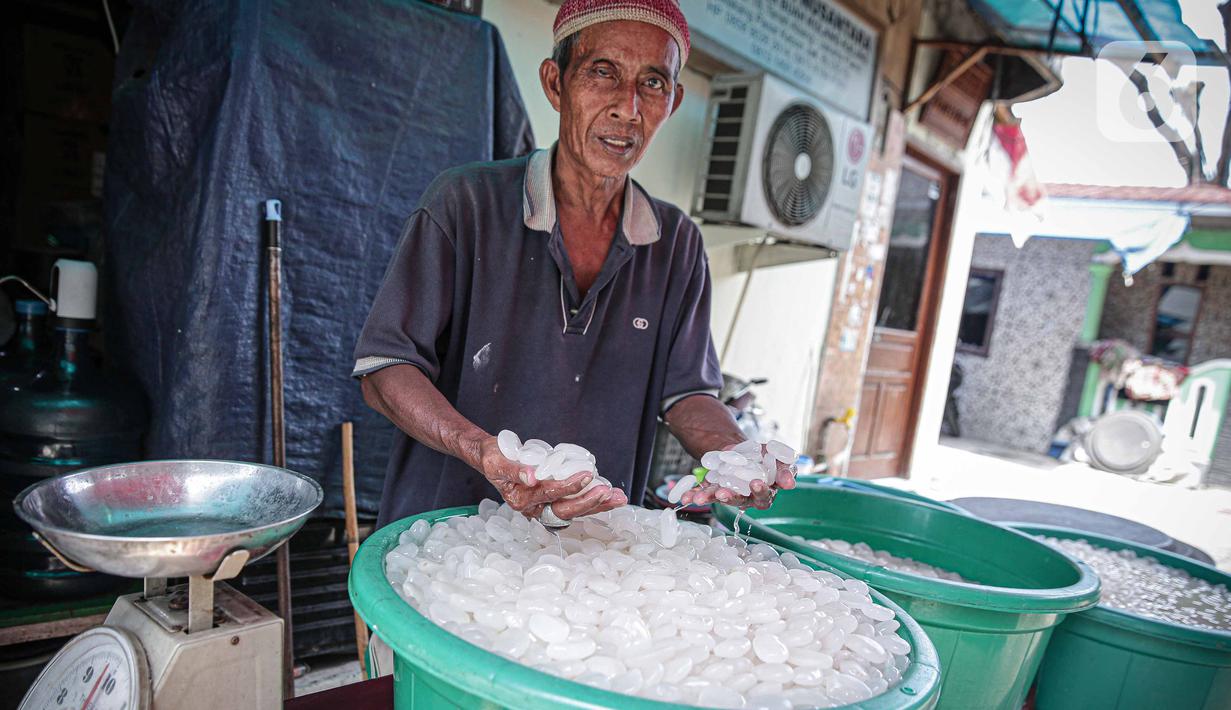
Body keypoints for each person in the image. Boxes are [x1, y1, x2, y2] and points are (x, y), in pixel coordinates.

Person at [354, 0, 794, 528]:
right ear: (555, 83)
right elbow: (385, 369)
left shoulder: (676, 243)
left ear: (673, 101)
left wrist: (734, 455)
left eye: (653, 83)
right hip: (446, 538)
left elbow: (687, 393)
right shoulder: (465, 204)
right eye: (603, 72)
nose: (628, 107)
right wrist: (482, 449)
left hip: (592, 550)